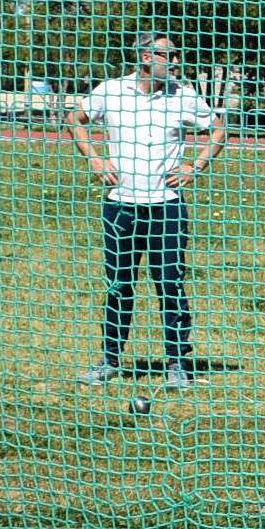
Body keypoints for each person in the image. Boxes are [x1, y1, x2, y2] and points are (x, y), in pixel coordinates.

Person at [67, 33, 224, 390]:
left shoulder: (183, 96)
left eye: (176, 55)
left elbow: (218, 130)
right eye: (169, 55)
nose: (176, 62)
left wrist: (194, 166)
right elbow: (75, 119)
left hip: (166, 208)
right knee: (118, 285)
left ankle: (177, 363)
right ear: (145, 57)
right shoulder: (111, 91)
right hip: (120, 206)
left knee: (170, 284)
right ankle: (109, 360)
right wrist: (94, 159)